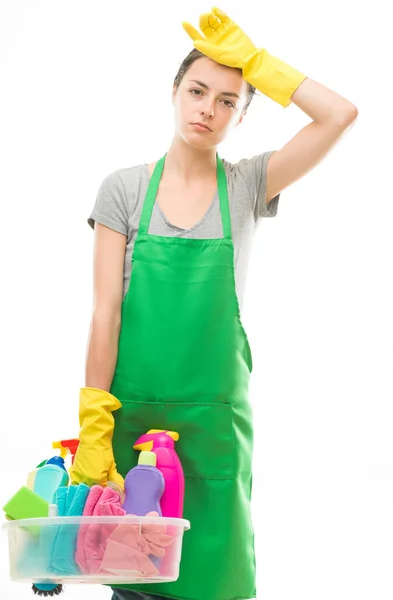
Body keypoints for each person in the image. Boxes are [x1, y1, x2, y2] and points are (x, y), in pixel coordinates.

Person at [69, 7, 358, 600]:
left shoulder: (248, 185)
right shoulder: (123, 189)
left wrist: (259, 63)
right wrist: (95, 423)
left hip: (215, 423)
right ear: (173, 93)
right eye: (198, 91)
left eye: (228, 100)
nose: (208, 108)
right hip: (133, 410)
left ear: (243, 114)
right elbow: (106, 315)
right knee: (136, 574)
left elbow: (339, 115)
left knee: (215, 577)